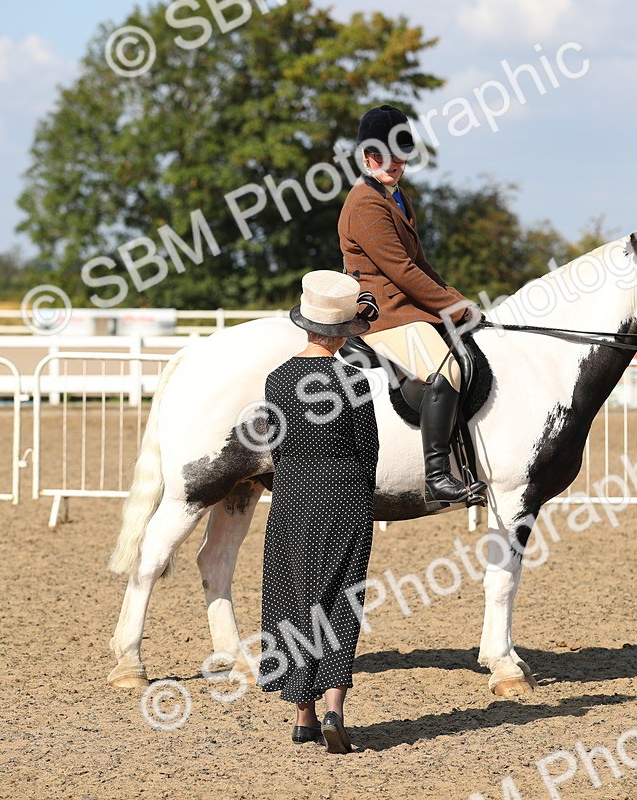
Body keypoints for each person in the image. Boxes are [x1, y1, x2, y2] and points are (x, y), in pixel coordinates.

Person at [338, 103, 486, 508]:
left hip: (406, 304)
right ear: (368, 156)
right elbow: (401, 271)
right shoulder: (366, 205)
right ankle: (437, 475)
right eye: (383, 157)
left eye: (401, 155)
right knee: (445, 368)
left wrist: (458, 299)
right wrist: (455, 311)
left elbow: (421, 264)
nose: (394, 164)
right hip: (385, 313)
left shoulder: (396, 196)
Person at [258, 270, 379, 755]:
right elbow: (367, 452)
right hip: (345, 496)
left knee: (295, 599)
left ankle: (302, 716)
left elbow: (275, 444)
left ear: (306, 323)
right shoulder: (355, 381)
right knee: (341, 601)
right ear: (345, 330)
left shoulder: (278, 379)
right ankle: (334, 710)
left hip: (293, 497)